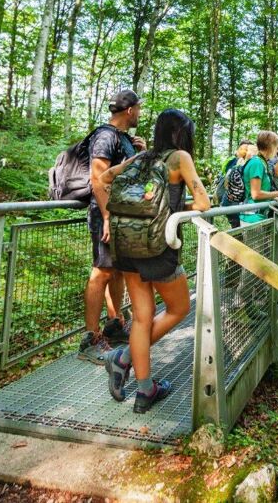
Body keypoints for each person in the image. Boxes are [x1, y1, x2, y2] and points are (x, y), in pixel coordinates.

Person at [102, 109, 211, 413]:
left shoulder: (142, 158)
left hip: (127, 247)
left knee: (141, 316)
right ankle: (124, 360)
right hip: (158, 248)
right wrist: (174, 205)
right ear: (182, 134)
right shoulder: (179, 158)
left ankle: (141, 383)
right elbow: (204, 203)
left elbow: (105, 178)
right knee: (178, 308)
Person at [78, 90, 146, 363]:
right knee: (102, 272)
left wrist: (139, 152)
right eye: (139, 109)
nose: (140, 113)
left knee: (116, 270)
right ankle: (90, 340)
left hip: (122, 213)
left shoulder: (124, 139)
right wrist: (107, 216)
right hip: (107, 213)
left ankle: (114, 324)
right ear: (130, 110)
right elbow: (98, 179)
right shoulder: (105, 136)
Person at [240, 130, 278, 224]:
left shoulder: (261, 162)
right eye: (276, 147)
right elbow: (256, 194)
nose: (276, 151)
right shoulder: (257, 163)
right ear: (271, 147)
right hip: (253, 218)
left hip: (259, 215)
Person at [221, 139, 254, 228]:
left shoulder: (238, 162)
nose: (245, 151)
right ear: (238, 150)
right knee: (237, 229)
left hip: (231, 201)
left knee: (237, 229)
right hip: (233, 202)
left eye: (248, 149)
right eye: (243, 149)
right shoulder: (236, 163)